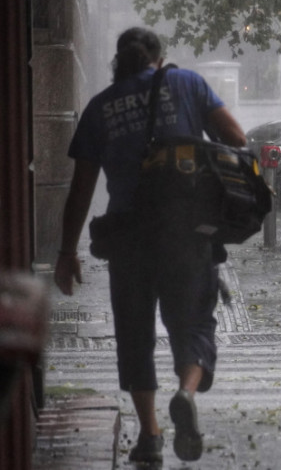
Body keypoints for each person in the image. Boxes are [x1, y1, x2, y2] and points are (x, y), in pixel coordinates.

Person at [53, 27, 246, 464]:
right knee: (193, 322)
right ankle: (186, 392)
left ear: (119, 61)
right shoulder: (187, 83)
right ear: (158, 57)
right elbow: (235, 138)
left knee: (135, 336)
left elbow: (81, 189)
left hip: (128, 238)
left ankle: (150, 435)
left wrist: (67, 253)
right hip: (185, 231)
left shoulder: (100, 108)